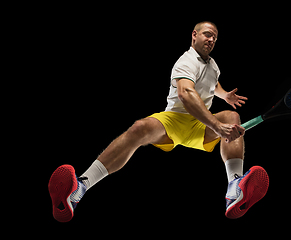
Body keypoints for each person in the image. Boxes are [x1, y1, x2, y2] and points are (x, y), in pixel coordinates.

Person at [48, 21, 269, 222]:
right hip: (175, 119)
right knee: (140, 128)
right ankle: (81, 186)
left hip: (199, 125)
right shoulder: (186, 61)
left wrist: (224, 95)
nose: (211, 40)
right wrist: (216, 126)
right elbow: (185, 94)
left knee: (232, 116)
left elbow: (213, 83)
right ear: (194, 35)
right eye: (207, 35)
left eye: (215, 37)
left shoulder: (212, 65)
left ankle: (235, 189)